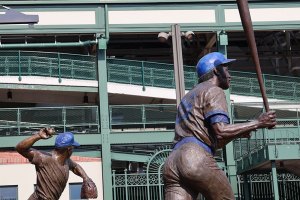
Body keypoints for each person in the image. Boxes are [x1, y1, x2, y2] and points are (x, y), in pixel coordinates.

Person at [163, 52, 276, 200]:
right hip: (194, 157)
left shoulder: (188, 96)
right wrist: (258, 123)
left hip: (172, 163)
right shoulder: (213, 90)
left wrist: (241, 131)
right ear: (216, 70)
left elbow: (213, 138)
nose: (230, 75)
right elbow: (221, 131)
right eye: (227, 69)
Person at [16, 128, 97, 200]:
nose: (73, 149)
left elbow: (75, 167)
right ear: (69, 149)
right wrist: (38, 136)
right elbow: (20, 148)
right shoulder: (44, 158)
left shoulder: (66, 161)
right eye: (73, 147)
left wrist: (86, 178)